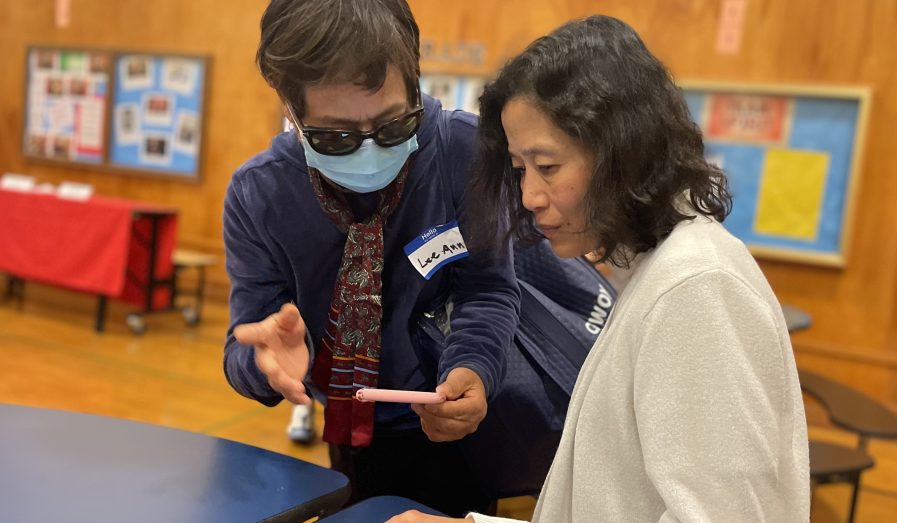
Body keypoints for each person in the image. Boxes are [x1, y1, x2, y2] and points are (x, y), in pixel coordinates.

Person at [388, 15, 810, 523]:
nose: (529, 197)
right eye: (521, 171)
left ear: (622, 151)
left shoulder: (697, 289)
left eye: (547, 167)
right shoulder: (659, 273)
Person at [222, 0, 520, 516]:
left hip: (454, 421)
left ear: (414, 80)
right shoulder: (260, 195)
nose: (368, 150)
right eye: (334, 137)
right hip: (347, 428)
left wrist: (473, 367)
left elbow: (488, 287)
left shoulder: (461, 152)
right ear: (292, 111)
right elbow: (244, 345)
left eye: (392, 126)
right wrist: (263, 365)